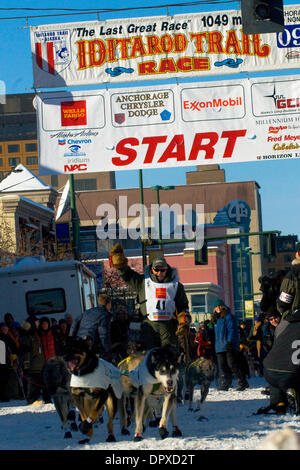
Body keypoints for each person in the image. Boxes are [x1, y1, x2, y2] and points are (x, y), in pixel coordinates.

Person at [109, 243, 191, 358]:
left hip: (168, 326)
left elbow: (183, 306)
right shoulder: (143, 282)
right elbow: (128, 275)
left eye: (162, 270)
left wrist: (183, 320)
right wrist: (120, 263)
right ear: (152, 270)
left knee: (170, 355)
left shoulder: (176, 285)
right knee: (149, 355)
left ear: (167, 270)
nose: (159, 273)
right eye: (157, 269)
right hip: (149, 325)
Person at [212, 298, 249, 391]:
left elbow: (232, 330)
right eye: (216, 306)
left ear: (223, 306)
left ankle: (242, 382)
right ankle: (225, 384)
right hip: (219, 346)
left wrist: (229, 342)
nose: (218, 308)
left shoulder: (228, 316)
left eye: (219, 306)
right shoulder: (215, 319)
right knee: (222, 366)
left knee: (232, 364)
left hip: (229, 344)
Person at [18, 316, 51, 405]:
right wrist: (26, 364)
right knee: (32, 384)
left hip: (40, 363)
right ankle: (31, 400)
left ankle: (47, 399)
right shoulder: (26, 336)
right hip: (32, 365)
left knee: (43, 382)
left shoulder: (36, 333)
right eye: (36, 322)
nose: (38, 324)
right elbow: (25, 352)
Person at [70, 293, 113, 359]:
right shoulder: (105, 315)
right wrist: (108, 350)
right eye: (110, 303)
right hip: (91, 344)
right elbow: (103, 334)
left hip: (80, 341)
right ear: (108, 303)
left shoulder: (88, 311)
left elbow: (75, 322)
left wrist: (71, 338)